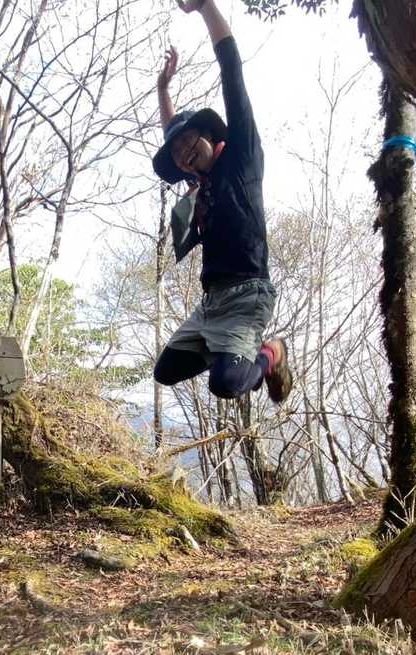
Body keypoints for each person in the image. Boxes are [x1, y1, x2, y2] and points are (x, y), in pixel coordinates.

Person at [152, 0, 292, 405]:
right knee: (166, 371)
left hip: (248, 294)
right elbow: (174, 134)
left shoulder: (241, 157)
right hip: (212, 303)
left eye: (189, 143)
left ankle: (271, 352)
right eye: (177, 154)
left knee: (226, 384)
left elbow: (231, 70)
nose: (183, 154)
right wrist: (163, 90)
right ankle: (230, 352)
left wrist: (204, 7)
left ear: (210, 136)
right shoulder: (200, 183)